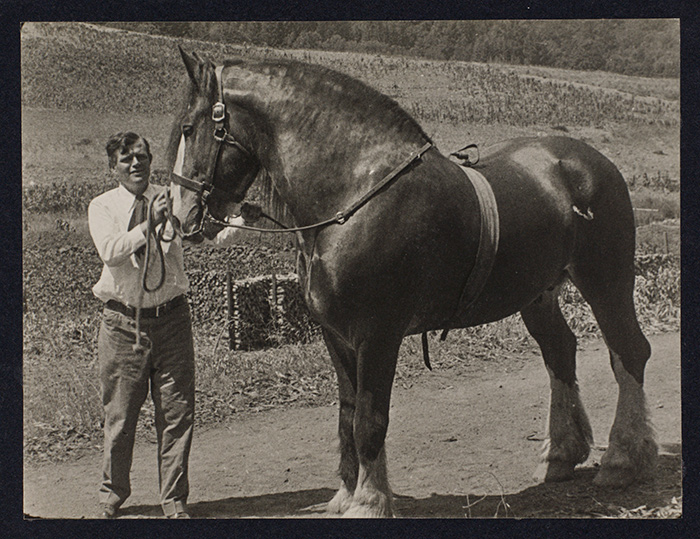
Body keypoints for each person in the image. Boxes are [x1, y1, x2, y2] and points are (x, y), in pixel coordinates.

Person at [88, 132, 258, 519]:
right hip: (123, 324)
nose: (136, 165)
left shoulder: (173, 200)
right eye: (126, 160)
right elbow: (111, 252)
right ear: (113, 167)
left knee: (177, 414)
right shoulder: (103, 206)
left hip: (172, 321)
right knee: (120, 417)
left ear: (151, 161)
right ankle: (112, 494)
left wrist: (242, 220)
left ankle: (174, 499)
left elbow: (206, 236)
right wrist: (151, 223)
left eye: (142, 158)